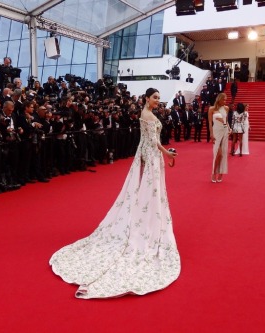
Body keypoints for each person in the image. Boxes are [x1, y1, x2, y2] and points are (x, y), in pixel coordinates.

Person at [50, 88, 180, 299]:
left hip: (151, 155)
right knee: (151, 191)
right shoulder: (147, 115)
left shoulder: (148, 113)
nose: (158, 100)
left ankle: (148, 223)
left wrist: (164, 154)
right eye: (154, 97)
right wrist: (168, 153)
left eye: (158, 97)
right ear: (146, 98)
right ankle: (146, 225)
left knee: (152, 192)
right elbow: (153, 141)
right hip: (151, 154)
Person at [208, 93, 229, 182]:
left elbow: (226, 121)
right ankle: (213, 173)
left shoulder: (226, 108)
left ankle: (221, 173)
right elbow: (210, 122)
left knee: (223, 154)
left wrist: (230, 128)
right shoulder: (211, 109)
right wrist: (211, 134)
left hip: (225, 132)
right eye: (223, 100)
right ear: (219, 99)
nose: (225, 101)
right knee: (217, 154)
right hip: (216, 132)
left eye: (226, 100)